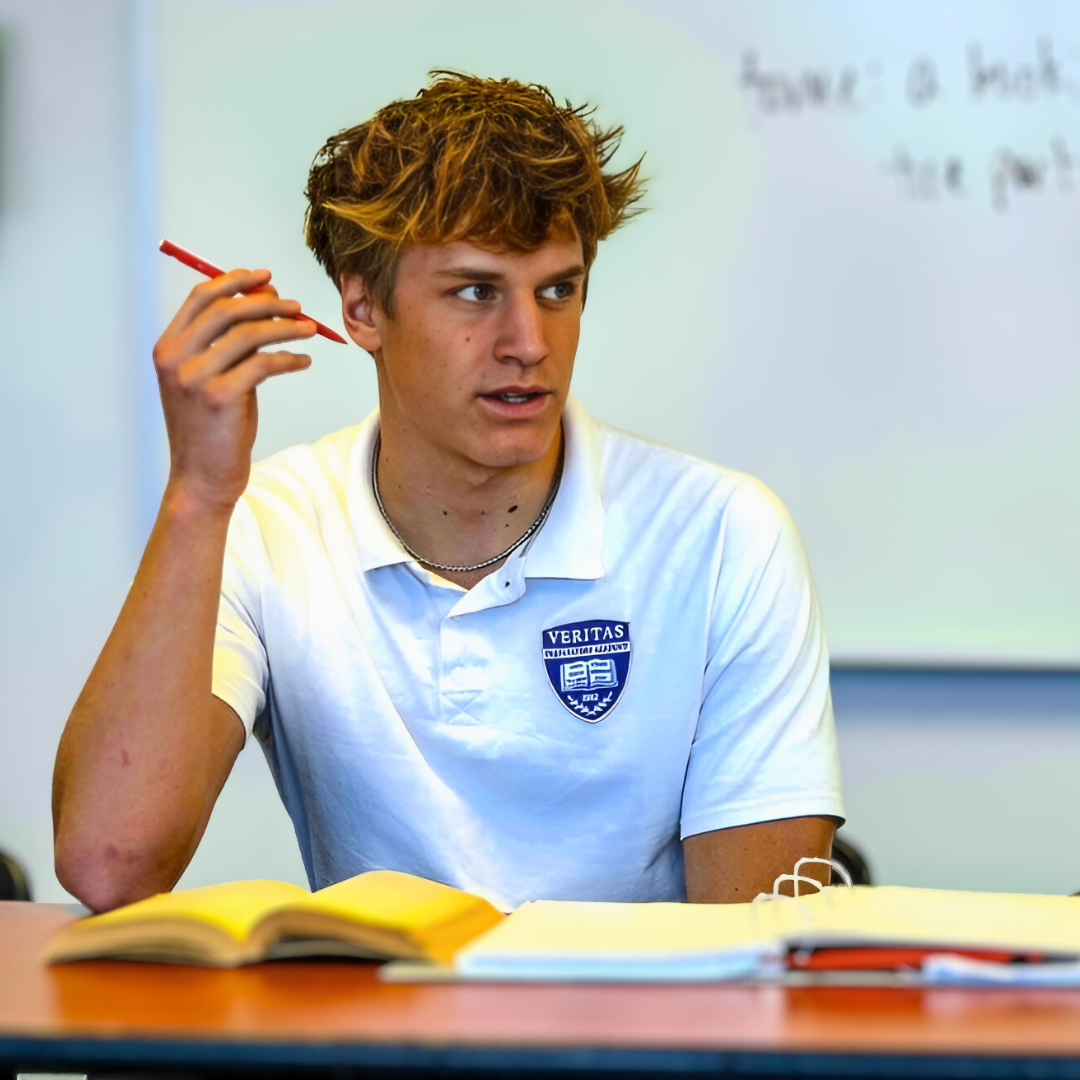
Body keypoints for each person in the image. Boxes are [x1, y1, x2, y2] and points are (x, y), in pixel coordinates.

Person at [52, 73, 843, 914]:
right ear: (361, 308)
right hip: (375, 1038)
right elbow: (110, 862)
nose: (529, 344)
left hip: (631, 1042)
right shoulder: (263, 523)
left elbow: (754, 957)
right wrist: (198, 495)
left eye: (558, 289)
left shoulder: (724, 534)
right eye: (476, 290)